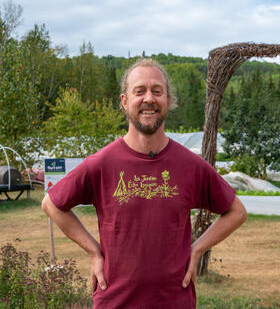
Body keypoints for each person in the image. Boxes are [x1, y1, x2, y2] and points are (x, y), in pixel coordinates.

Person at [41, 58, 247, 308]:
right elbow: (52, 204)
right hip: (115, 300)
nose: (149, 98)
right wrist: (94, 252)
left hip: (174, 300)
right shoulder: (102, 163)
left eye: (157, 91)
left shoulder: (190, 166)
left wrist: (197, 249)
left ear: (168, 101)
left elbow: (236, 212)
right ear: (125, 101)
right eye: (139, 91)